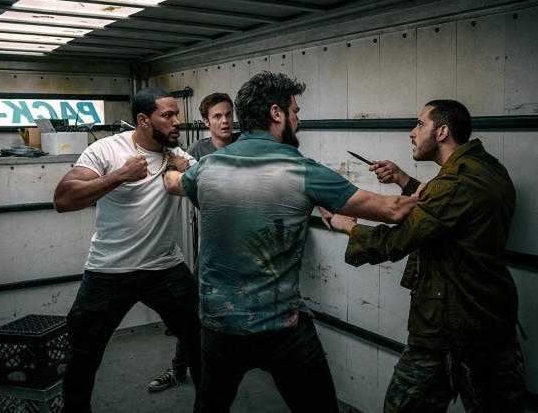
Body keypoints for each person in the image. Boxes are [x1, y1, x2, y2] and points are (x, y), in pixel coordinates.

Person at [162, 71, 418, 413]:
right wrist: (438, 188)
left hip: (219, 324)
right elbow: (393, 210)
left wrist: (170, 168)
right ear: (276, 113)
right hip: (281, 327)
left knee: (210, 406)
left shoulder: (205, 168)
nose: (298, 120)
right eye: (295, 111)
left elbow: (173, 184)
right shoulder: (303, 170)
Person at [322, 99, 525, 412]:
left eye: (420, 124)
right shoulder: (487, 169)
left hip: (447, 325)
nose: (412, 133)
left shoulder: (454, 183)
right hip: (492, 319)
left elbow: (396, 242)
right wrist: (403, 179)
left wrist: (347, 224)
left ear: (442, 132)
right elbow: (446, 213)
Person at [53, 86, 201, 412]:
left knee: (201, 341)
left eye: (177, 114)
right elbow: (63, 198)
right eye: (168, 115)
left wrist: (188, 171)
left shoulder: (180, 157)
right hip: (109, 269)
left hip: (165, 268)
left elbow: (208, 198)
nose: (177, 121)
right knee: (83, 355)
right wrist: (120, 175)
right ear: (144, 120)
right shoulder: (107, 150)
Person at [148, 92, 240, 393]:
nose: (225, 121)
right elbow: (179, 181)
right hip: (212, 245)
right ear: (205, 122)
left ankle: (228, 369)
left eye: (228, 114)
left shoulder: (244, 145)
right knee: (193, 311)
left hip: (246, 243)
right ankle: (178, 368)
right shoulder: (196, 151)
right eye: (217, 116)